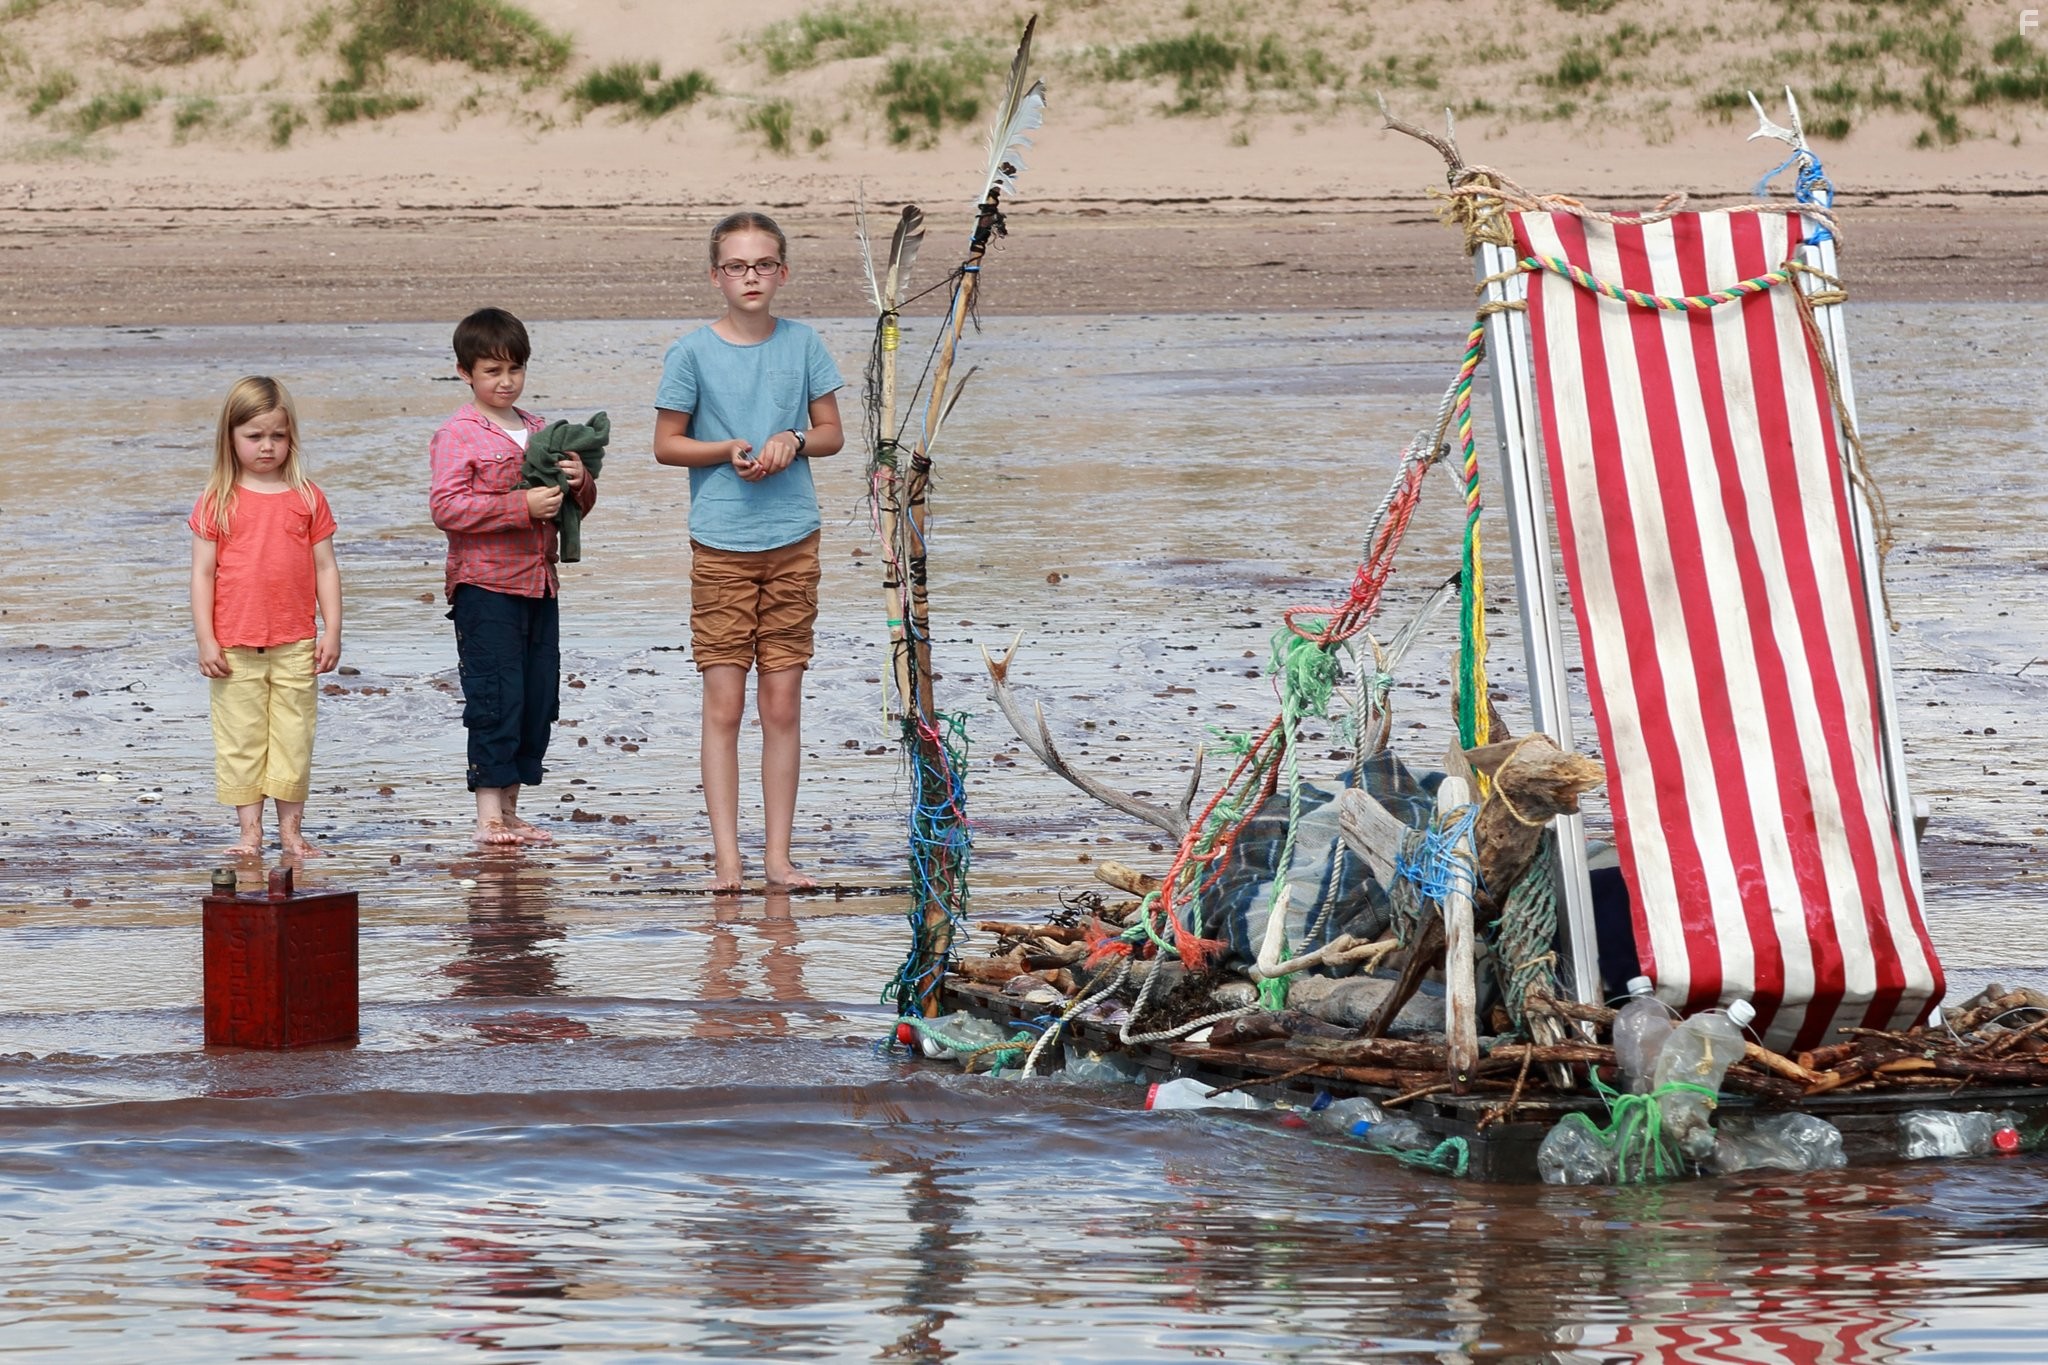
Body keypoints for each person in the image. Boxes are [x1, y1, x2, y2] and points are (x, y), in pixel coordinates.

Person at [654, 211, 845, 892]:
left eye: (762, 264)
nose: (751, 276)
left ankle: (778, 859)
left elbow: (832, 433)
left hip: (795, 539)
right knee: (724, 703)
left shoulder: (803, 344)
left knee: (783, 703)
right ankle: (728, 860)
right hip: (721, 544)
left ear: (783, 272)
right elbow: (666, 443)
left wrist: (791, 438)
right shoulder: (691, 353)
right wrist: (725, 450)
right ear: (716, 277)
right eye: (737, 266)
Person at [429, 307, 596, 847]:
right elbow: (448, 508)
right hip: (484, 586)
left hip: (539, 583)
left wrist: (580, 481)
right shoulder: (458, 434)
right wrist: (519, 504)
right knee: (494, 696)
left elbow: (576, 508)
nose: (504, 382)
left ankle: (512, 808)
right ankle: (488, 817)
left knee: (535, 695)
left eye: (514, 371)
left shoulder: (542, 431)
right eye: (491, 372)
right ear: (464, 373)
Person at [188, 375, 342, 859]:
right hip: (233, 645)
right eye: (254, 436)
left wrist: (332, 630)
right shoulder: (218, 498)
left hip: (296, 641)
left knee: (294, 738)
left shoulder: (308, 496)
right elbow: (202, 576)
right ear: (231, 438)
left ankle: (291, 833)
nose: (267, 446)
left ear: (290, 435)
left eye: (277, 435)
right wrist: (206, 641)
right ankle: (250, 833)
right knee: (240, 739)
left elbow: (325, 567)